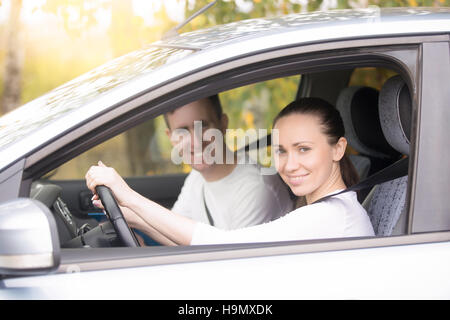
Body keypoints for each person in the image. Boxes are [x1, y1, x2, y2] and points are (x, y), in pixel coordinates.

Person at [86, 97, 375, 246]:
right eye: (281, 151)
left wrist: (128, 196)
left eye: (303, 149)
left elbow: (224, 247)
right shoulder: (328, 210)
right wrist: (130, 216)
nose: (288, 165)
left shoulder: (329, 216)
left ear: (338, 149)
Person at [163, 95, 293, 230]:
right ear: (172, 138)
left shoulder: (256, 187)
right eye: (182, 132)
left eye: (203, 126)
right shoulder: (195, 179)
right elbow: (171, 231)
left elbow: (232, 251)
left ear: (223, 124)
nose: (196, 142)